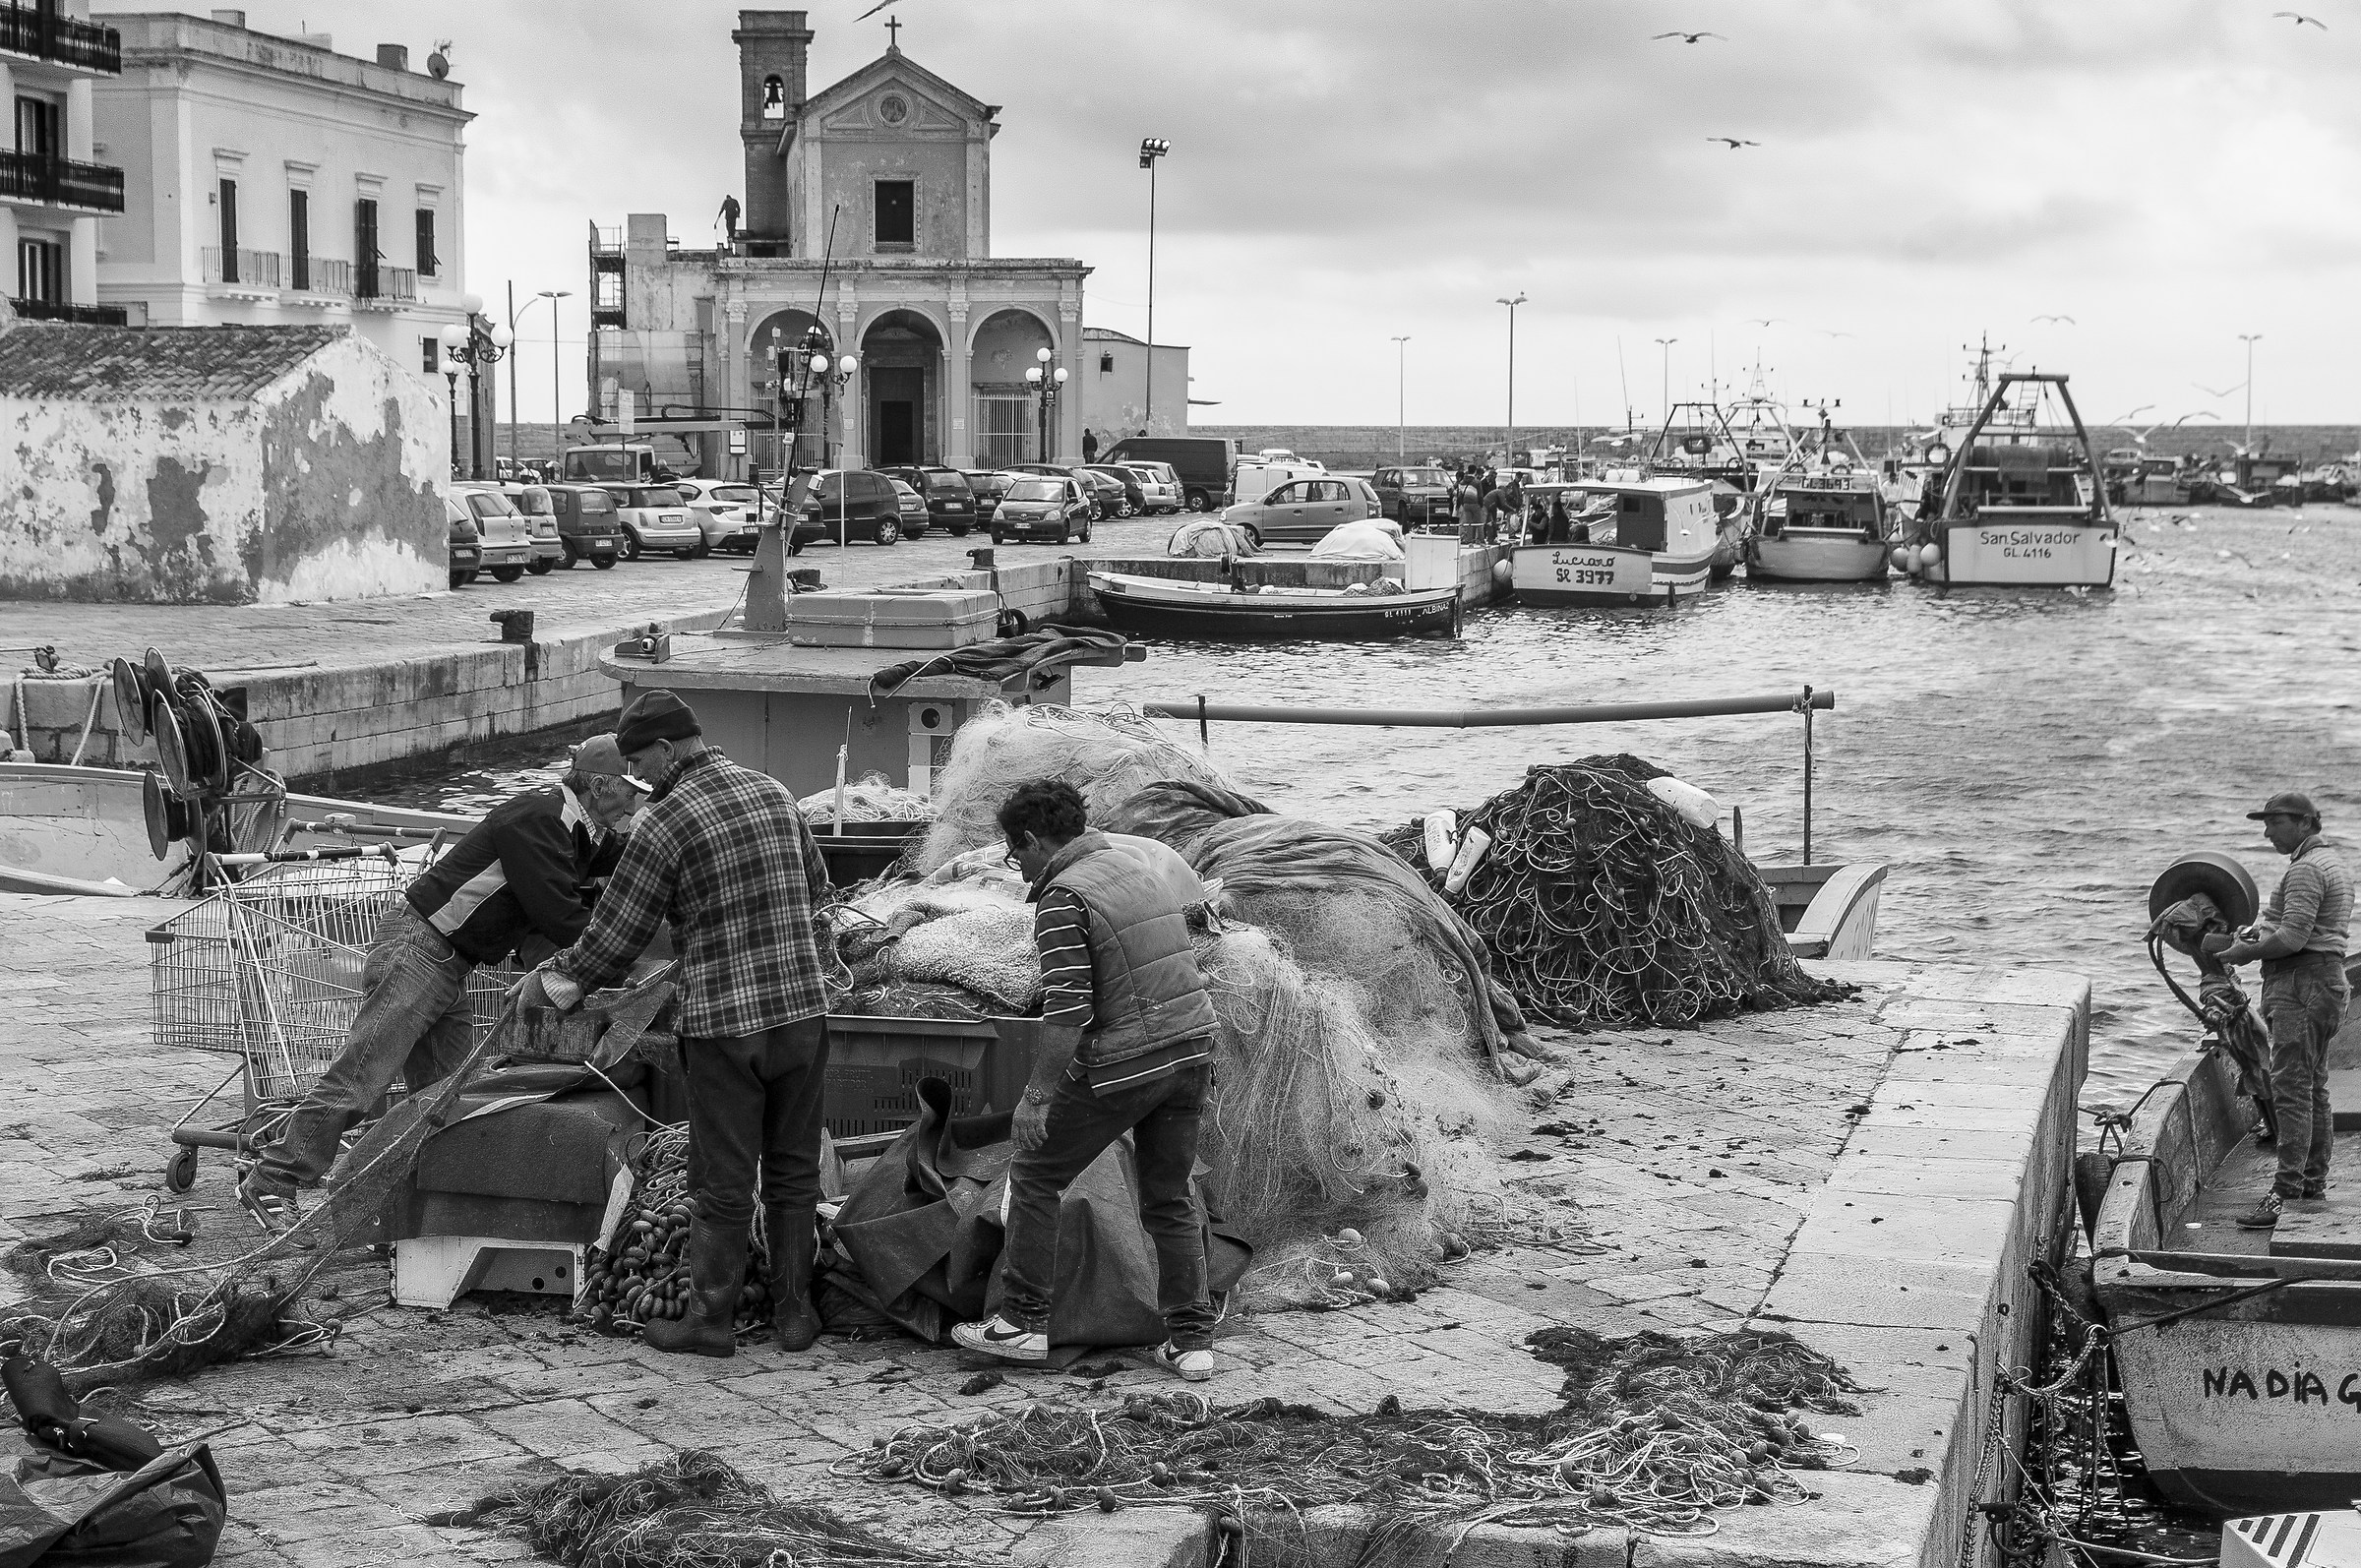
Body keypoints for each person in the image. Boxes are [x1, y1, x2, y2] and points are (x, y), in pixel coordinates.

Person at [525, 690, 833, 1357]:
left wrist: (557, 982)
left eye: (639, 762)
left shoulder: (663, 822)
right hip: (803, 1017)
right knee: (792, 1169)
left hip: (726, 1026)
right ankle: (795, 1315)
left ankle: (709, 1320)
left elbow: (617, 938)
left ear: (667, 749)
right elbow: (817, 888)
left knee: (722, 1180)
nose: (636, 777)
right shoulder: (775, 792)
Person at [238, 736, 647, 1231]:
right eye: (632, 791)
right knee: (362, 1080)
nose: (634, 804)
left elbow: (614, 866)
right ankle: (274, 1177)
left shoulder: (576, 831)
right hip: (418, 951)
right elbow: (559, 916)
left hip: (448, 963)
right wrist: (622, 968)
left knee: (444, 1101)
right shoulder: (540, 819)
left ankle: (401, 1212)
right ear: (601, 786)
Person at [951, 781, 1221, 1381]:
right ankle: (1192, 1341)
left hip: (1127, 1063)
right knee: (1169, 1196)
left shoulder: (1063, 898)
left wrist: (1036, 1097)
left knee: (1034, 1174)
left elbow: (1069, 1011)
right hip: (1192, 1051)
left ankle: (1022, 1322)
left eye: (1014, 852)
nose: (1016, 866)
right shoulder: (1140, 869)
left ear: (1031, 840)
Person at [2210, 792, 2352, 1229]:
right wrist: (2256, 933)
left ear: (2306, 823)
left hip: (2302, 986)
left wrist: (2242, 953)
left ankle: (2286, 1190)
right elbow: (2294, 926)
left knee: (2291, 1089)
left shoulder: (2307, 869)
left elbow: (2292, 938)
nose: (2267, 832)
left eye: (2275, 822)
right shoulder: (2327, 863)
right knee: (2313, 1086)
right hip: (2322, 983)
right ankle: (2310, 1182)